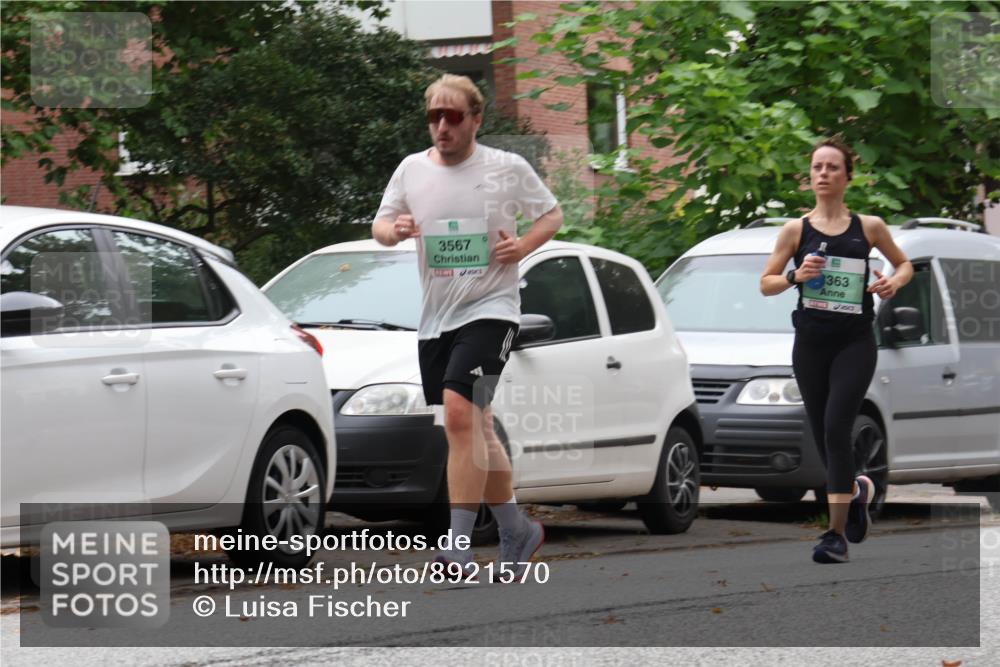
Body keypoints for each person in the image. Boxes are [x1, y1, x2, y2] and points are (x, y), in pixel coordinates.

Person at [372, 74, 564, 577]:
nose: (441, 125)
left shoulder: (506, 168)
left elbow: (552, 215)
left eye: (452, 116)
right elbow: (380, 225)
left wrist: (522, 247)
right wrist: (395, 231)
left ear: (475, 119)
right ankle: (517, 528)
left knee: (460, 413)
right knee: (476, 425)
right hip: (438, 319)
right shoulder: (412, 170)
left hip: (492, 310)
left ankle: (455, 547)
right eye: (433, 116)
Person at [760, 137, 913, 563]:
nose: (823, 173)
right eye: (817, 167)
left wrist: (892, 282)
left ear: (848, 176)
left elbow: (904, 265)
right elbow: (766, 283)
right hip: (810, 342)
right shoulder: (796, 230)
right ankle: (857, 492)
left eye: (831, 167)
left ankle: (834, 535)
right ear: (809, 177)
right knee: (823, 432)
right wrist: (796, 275)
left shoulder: (869, 227)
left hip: (854, 341)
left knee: (835, 427)